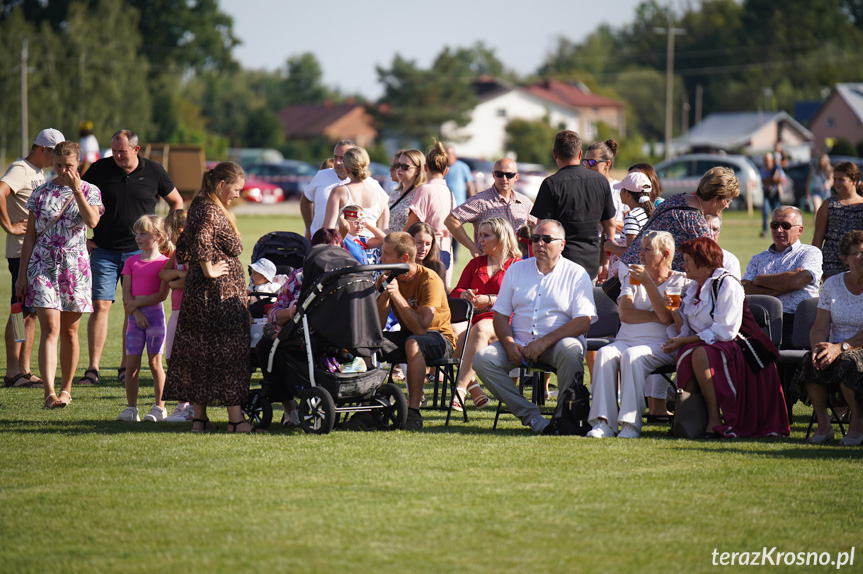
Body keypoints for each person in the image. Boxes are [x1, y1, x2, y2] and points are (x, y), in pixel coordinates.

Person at [80, 129, 183, 387]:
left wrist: (168, 237)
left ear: (136, 150)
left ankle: (127, 366)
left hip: (141, 253)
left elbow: (176, 202)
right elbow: (75, 199)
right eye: (114, 150)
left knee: (133, 306)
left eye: (121, 151)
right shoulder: (98, 169)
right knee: (100, 306)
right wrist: (84, 238)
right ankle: (92, 369)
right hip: (104, 250)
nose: (116, 155)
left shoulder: (154, 171)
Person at [472, 219, 597, 434]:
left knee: (571, 349)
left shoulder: (576, 274)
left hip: (556, 345)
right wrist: (509, 344)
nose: (540, 243)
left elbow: (583, 320)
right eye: (536, 238)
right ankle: (533, 418)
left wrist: (544, 343)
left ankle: (563, 419)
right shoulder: (517, 270)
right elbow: (500, 315)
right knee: (483, 360)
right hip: (518, 345)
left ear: (562, 245)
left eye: (547, 239)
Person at [162, 162, 260, 433]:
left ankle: (200, 420)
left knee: (200, 353)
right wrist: (209, 269)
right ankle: (236, 421)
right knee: (229, 353)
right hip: (217, 294)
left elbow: (185, 245)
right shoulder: (211, 210)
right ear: (221, 185)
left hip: (200, 293)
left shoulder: (199, 205)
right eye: (236, 189)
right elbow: (202, 240)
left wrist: (201, 269)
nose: (238, 195)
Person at [661, 237, 789, 438]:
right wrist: (675, 312)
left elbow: (725, 331)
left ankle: (714, 421)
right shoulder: (693, 287)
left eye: (687, 259)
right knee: (688, 353)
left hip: (742, 345)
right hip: (713, 344)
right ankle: (688, 420)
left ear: (703, 261)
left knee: (698, 353)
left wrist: (685, 341)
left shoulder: (726, 283)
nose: (682, 264)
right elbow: (689, 330)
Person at [15, 141, 103, 409]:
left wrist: (77, 191)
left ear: (79, 165)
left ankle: (66, 390)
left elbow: (92, 222)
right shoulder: (41, 193)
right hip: (42, 264)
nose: (64, 171)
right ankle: (49, 393)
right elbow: (30, 236)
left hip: (74, 267)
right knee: (50, 329)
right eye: (58, 166)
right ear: (52, 163)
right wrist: (22, 276)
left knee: (70, 331)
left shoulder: (90, 190)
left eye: (69, 166)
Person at [587, 231, 688, 438]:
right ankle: (603, 422)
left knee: (633, 356)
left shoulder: (678, 281)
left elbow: (669, 319)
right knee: (605, 353)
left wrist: (649, 285)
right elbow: (625, 314)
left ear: (665, 254)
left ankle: (630, 425)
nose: (640, 254)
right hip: (626, 339)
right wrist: (658, 314)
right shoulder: (634, 275)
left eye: (647, 249)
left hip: (661, 345)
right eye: (641, 248)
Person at [257, 228, 344, 427]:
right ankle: (290, 409)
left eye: (335, 251)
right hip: (298, 333)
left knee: (271, 347)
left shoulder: (347, 277)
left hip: (334, 336)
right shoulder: (298, 277)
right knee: (268, 345)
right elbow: (274, 312)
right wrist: (289, 313)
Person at [1, 128, 62, 388]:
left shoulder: (38, 172)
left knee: (31, 313)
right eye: (55, 153)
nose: (56, 159)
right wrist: (9, 226)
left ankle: (24, 370)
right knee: (19, 311)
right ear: (43, 149)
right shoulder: (21, 169)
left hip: (35, 253)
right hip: (19, 252)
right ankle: (13, 371)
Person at [377, 232, 455, 431]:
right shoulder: (387, 278)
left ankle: (413, 411)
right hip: (409, 336)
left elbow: (421, 328)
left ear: (404, 258)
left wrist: (397, 296)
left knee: (413, 342)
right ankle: (371, 405)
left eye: (386, 254)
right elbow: (377, 324)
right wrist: (386, 295)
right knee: (367, 342)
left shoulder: (429, 279)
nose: (381, 258)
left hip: (439, 338)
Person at [794, 230, 863, 446]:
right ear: (845, 259)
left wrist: (840, 348)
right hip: (834, 347)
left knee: (847, 362)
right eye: (859, 253)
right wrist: (818, 349)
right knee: (810, 362)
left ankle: (857, 427)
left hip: (855, 347)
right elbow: (820, 326)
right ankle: (824, 426)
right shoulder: (832, 285)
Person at [450, 217, 521, 411]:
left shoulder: (518, 265)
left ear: (501, 237)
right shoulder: (476, 263)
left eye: (485, 235)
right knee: (452, 333)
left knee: (480, 329)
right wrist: (464, 294)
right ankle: (474, 388)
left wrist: (490, 300)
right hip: (474, 318)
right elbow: (456, 291)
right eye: (479, 235)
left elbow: (520, 297)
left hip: (506, 322)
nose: (479, 240)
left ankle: (461, 388)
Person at [530, 130, 616, 282]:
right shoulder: (601, 181)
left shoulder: (551, 184)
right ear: (580, 154)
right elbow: (609, 226)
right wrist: (605, 260)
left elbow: (542, 229)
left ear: (554, 154)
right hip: (591, 263)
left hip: (559, 264)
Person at [622, 166, 739, 273]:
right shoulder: (696, 223)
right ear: (715, 199)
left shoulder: (677, 198)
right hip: (640, 277)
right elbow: (707, 266)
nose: (727, 206)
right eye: (727, 201)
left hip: (629, 266)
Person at [116, 215, 171, 422]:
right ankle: (131, 409)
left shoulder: (165, 263)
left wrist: (136, 306)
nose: (138, 238)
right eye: (137, 233)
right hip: (135, 320)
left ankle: (159, 408)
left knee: (155, 363)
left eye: (143, 233)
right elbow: (126, 293)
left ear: (158, 236)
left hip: (155, 318)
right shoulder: (131, 261)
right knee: (131, 365)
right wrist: (136, 313)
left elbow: (161, 295)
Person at [742, 206, 822, 345]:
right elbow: (744, 289)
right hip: (763, 321)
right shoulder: (758, 259)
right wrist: (786, 282)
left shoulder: (810, 253)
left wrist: (759, 279)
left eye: (785, 225)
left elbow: (797, 282)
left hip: (797, 320)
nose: (779, 230)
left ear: (800, 230)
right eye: (774, 225)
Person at [445, 157, 536, 258]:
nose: (504, 179)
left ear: (516, 177)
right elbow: (451, 220)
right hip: (490, 265)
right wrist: (473, 248)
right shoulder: (480, 201)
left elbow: (539, 226)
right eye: (499, 174)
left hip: (518, 264)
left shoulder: (525, 202)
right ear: (493, 175)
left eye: (509, 175)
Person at [405, 142, 456, 284]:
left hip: (426, 250)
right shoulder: (450, 193)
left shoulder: (425, 190)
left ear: (425, 168)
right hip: (446, 248)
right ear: (446, 171)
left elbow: (412, 225)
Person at [159, 209, 193, 423]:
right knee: (171, 357)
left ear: (178, 231)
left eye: (168, 232)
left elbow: (190, 280)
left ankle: (187, 407)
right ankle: (183, 405)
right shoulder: (177, 252)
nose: (166, 237)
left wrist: (177, 279)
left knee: (186, 359)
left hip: (189, 311)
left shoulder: (192, 251)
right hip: (176, 311)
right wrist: (178, 276)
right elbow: (164, 274)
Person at [322, 146, 390, 252]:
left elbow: (328, 230)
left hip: (345, 251)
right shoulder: (380, 196)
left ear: (346, 169)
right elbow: (384, 235)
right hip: (371, 255)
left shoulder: (339, 192)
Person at [811, 161, 863, 280]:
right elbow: (818, 236)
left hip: (858, 259)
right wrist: (813, 264)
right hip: (832, 260)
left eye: (841, 179)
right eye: (835, 179)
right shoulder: (828, 204)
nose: (837, 183)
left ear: (854, 181)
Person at [301, 139, 355, 239]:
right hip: (318, 241)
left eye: (342, 158)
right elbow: (306, 199)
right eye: (335, 157)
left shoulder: (363, 182)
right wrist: (309, 229)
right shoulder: (322, 175)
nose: (338, 162)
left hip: (349, 244)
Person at [603, 171, 654, 263]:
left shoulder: (632, 216)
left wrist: (611, 247)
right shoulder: (648, 212)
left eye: (621, 190)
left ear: (626, 193)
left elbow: (632, 253)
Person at [584, 139, 626, 237]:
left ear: (607, 164)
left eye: (592, 162)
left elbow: (630, 226)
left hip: (614, 246)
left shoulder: (620, 189)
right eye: (585, 162)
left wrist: (603, 220)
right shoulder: (583, 188)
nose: (587, 167)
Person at [389, 149, 428, 234]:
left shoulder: (421, 193)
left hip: (406, 244)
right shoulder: (395, 193)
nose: (399, 169)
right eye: (398, 165)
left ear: (418, 170)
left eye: (405, 167)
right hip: (388, 243)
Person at [704, 215, 741, 279]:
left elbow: (732, 288)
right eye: (706, 228)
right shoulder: (688, 258)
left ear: (720, 232)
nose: (710, 233)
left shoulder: (729, 261)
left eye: (715, 229)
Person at [759, 152, 785, 238]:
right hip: (767, 193)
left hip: (775, 193)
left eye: (768, 160)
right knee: (766, 212)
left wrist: (774, 179)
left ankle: (779, 231)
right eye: (765, 160)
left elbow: (782, 180)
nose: (766, 162)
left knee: (777, 214)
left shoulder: (777, 168)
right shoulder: (763, 169)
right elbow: (764, 180)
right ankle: (765, 231)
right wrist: (773, 180)